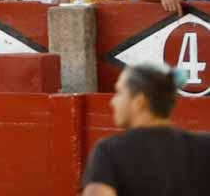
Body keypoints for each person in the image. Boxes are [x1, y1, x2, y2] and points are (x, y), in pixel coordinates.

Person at [81, 61, 210, 195]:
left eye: (119, 92)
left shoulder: (110, 151)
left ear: (139, 102)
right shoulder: (205, 146)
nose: (113, 101)